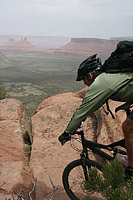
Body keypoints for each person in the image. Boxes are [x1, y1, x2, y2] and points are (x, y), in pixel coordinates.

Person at [58, 54, 133, 180]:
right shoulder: (107, 78)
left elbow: (83, 110)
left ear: (90, 76)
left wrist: (67, 132)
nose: (84, 83)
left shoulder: (100, 83)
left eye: (84, 80)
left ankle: (131, 170)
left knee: (127, 126)